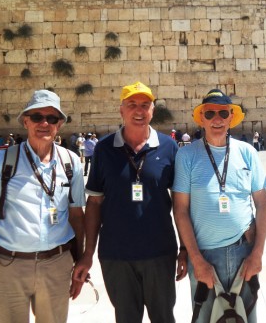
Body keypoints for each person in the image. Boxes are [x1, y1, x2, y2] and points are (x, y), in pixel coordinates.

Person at [72, 81, 186, 323]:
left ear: (153, 110)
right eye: (132, 104)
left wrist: (185, 249)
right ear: (121, 110)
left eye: (145, 105)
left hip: (160, 253)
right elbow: (94, 204)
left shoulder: (168, 147)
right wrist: (87, 253)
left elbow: (181, 205)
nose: (139, 110)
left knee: (164, 318)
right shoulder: (104, 150)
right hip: (116, 255)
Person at [172, 88, 266, 323]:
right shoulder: (187, 156)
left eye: (223, 113)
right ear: (201, 119)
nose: (217, 119)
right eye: (210, 113)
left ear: (230, 118)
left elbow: (263, 205)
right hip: (204, 256)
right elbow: (181, 211)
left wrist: (257, 253)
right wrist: (196, 260)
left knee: (246, 317)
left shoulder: (247, 152)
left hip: (243, 253)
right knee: (204, 318)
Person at [0, 89, 86, 323]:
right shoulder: (0, 161)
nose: (44, 123)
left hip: (56, 264)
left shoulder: (71, 162)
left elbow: (76, 215)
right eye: (37, 117)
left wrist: (80, 260)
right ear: (25, 121)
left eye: (51, 118)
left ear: (59, 125)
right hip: (8, 265)